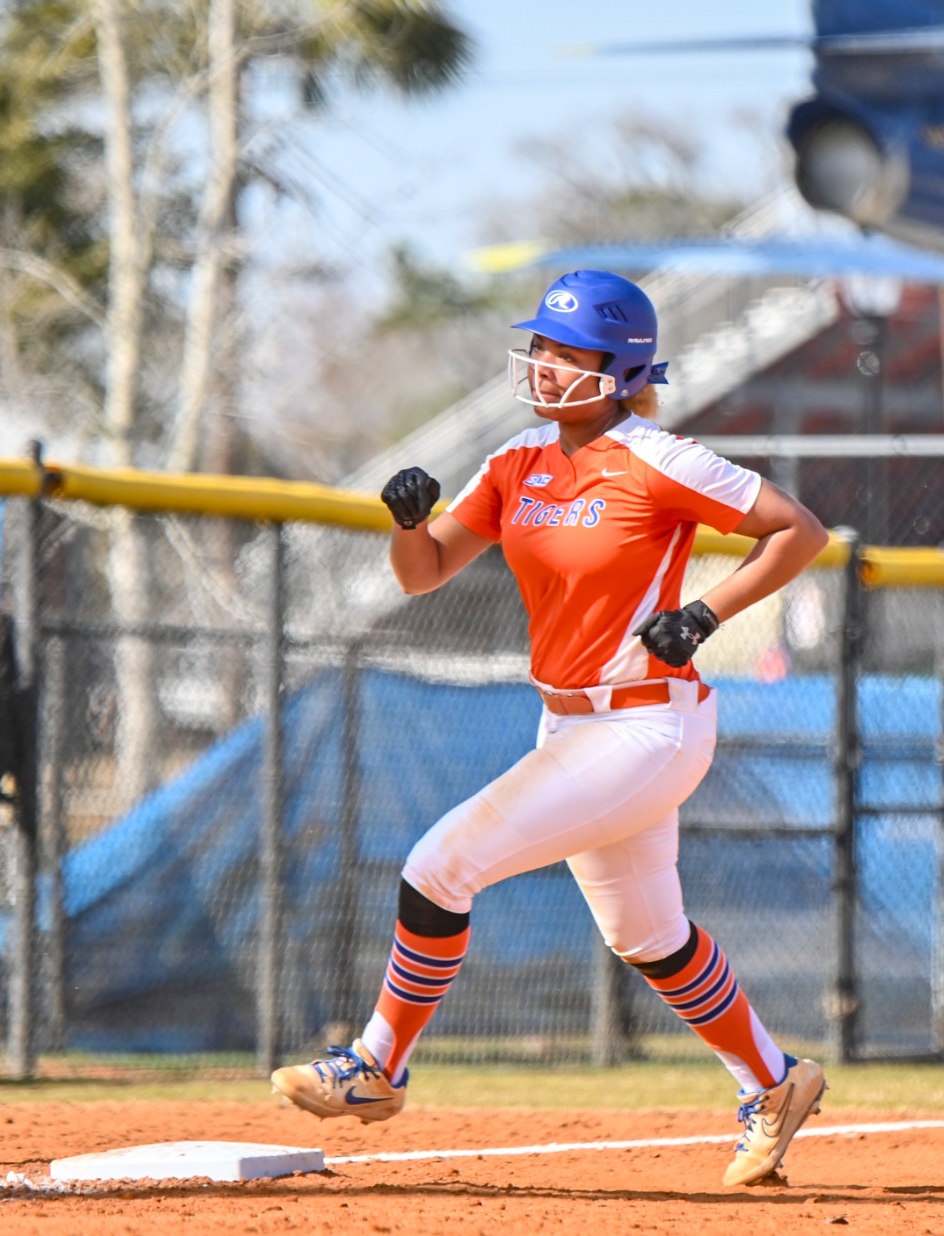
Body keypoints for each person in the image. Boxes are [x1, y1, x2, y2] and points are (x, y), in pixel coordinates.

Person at [270, 269, 833, 1187]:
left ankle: (378, 1066)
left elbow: (797, 531)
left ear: (620, 369)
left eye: (567, 352)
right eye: (541, 346)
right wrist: (409, 525)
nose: (543, 364)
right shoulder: (518, 461)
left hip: (650, 725)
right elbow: (422, 574)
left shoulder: (661, 456)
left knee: (438, 866)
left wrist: (706, 615)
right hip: (570, 726)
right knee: (649, 937)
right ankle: (773, 1082)